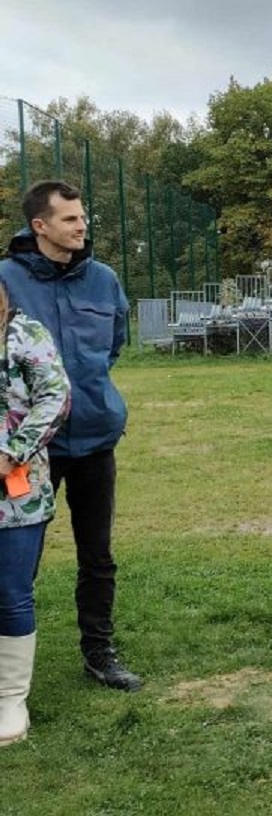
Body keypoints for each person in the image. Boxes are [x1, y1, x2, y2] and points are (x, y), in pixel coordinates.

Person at [0, 181, 141, 691]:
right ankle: (11, 666)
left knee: (97, 555)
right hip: (25, 453)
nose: (81, 227)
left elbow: (114, 346)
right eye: (69, 220)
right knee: (18, 562)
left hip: (93, 439)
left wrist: (89, 390)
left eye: (82, 218)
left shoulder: (103, 280)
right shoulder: (5, 281)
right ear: (40, 226)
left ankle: (99, 652)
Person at [0, 282, 71, 746]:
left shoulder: (26, 335)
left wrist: (13, 451)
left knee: (10, 592)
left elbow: (55, 396)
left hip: (16, 493)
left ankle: (10, 700)